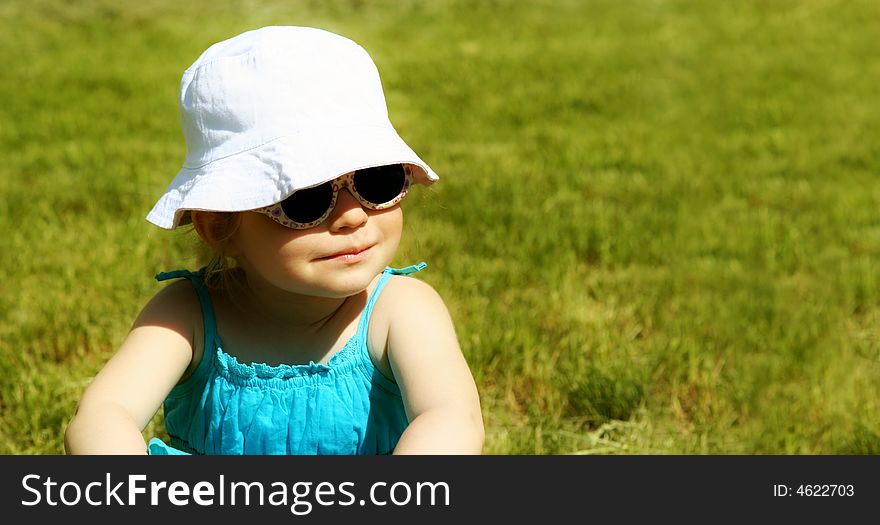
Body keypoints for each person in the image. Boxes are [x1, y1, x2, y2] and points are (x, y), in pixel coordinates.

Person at [64, 26, 484, 455]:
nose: (352, 215)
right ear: (220, 226)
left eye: (377, 180)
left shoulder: (401, 310)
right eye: (306, 200)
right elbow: (104, 413)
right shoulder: (186, 314)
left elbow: (450, 418)